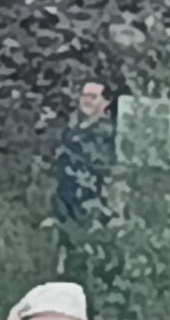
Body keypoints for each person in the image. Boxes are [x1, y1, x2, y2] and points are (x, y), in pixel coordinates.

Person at [51, 79, 120, 273]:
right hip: (67, 196)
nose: (87, 100)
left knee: (88, 247)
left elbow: (102, 166)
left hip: (89, 198)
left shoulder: (105, 131)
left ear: (105, 102)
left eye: (93, 96)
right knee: (65, 243)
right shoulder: (75, 128)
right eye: (84, 95)